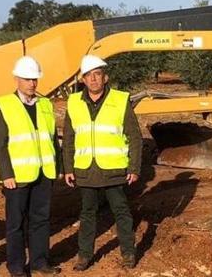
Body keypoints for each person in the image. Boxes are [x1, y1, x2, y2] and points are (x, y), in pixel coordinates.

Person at [63, 55, 142, 271]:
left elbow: (135, 136)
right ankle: (84, 256)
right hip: (86, 170)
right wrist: (68, 168)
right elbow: (69, 139)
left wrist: (134, 168)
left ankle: (128, 253)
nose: (93, 79)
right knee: (87, 214)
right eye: (89, 76)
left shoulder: (119, 100)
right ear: (83, 80)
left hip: (113, 170)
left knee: (121, 212)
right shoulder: (74, 103)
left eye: (97, 74)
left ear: (105, 77)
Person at [0, 56, 60, 276]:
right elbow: (0, 144)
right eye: (27, 79)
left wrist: (56, 168)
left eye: (34, 79)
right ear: (16, 79)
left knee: (41, 220)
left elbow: (51, 140)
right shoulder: (4, 104)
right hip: (17, 177)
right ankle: (17, 267)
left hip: (43, 174)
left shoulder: (45, 105)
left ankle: (40, 262)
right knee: (16, 224)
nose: (32, 83)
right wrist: (6, 174)